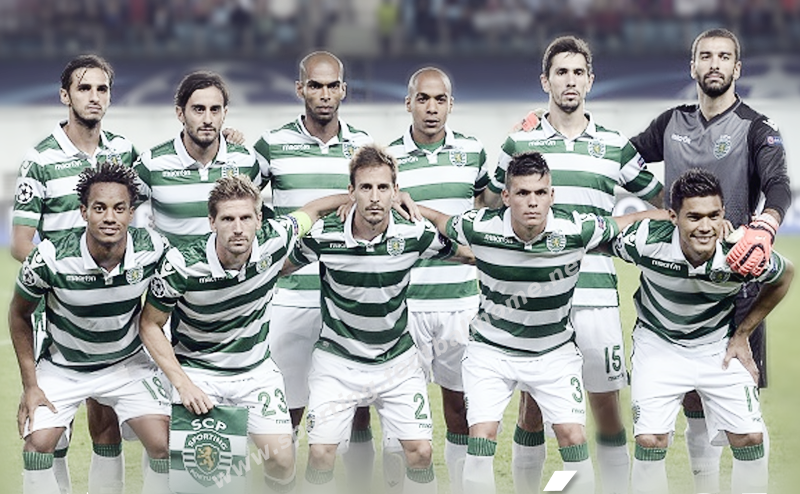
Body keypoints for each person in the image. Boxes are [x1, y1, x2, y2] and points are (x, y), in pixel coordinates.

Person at [420, 152, 666, 494]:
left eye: (540, 193)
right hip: (491, 352)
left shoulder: (577, 228)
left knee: (574, 439)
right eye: (522, 193)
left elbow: (633, 219)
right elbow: (437, 218)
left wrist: (674, 216)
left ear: (552, 195)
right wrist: (401, 201)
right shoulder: (479, 226)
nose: (532, 202)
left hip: (555, 353)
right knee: (482, 437)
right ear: (506, 196)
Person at [486, 36, 664, 494]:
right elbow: (487, 201)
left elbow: (665, 203)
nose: (570, 80)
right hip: (537, 296)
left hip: (596, 294)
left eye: (578, 72)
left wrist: (627, 231)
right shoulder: (520, 140)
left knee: (606, 408)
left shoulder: (614, 146)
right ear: (545, 81)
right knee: (532, 408)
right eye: (560, 72)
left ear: (590, 80)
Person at [629, 28, 792, 493]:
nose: (714, 64)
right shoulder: (671, 123)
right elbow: (622, 160)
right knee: (691, 401)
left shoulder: (756, 128)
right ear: (693, 66)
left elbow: (778, 184)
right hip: (677, 279)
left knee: (738, 408)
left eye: (724, 57)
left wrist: (764, 227)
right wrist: (660, 201)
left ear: (737, 68)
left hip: (734, 283)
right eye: (706, 56)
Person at [138, 175, 352, 493]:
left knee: (282, 460)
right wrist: (183, 384)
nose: (238, 228)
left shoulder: (276, 237)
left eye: (245, 218)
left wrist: (363, 199)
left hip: (255, 371)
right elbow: (149, 324)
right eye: (227, 219)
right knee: (208, 478)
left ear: (259, 219)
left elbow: (315, 209)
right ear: (212, 222)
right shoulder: (182, 265)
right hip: (200, 373)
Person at [290, 144, 472, 494]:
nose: (374, 197)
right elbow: (277, 269)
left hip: (397, 361)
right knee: (321, 454)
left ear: (395, 191)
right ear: (351, 191)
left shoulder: (413, 233)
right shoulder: (325, 235)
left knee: (420, 452)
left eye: (383, 188)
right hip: (338, 362)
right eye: (366, 187)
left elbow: (468, 255)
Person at [611, 168, 793, 494]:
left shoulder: (741, 251)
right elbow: (599, 239)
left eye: (714, 216)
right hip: (658, 345)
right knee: (650, 440)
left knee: (751, 437)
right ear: (673, 217)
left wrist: (742, 334)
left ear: (723, 214)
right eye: (694, 217)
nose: (706, 227)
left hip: (716, 347)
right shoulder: (645, 241)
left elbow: (785, 276)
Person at [11, 54, 135, 494]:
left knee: (105, 419)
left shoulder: (124, 152)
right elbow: (20, 242)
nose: (94, 97)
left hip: (114, 308)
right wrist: (66, 275)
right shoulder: (41, 159)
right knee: (54, 430)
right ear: (65, 95)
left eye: (102, 89)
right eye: (84, 88)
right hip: (59, 309)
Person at [253, 50, 377, 486]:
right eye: (315, 85)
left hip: (348, 299)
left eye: (332, 86)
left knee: (357, 409)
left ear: (344, 89)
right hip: (288, 296)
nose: (324, 94)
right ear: (300, 89)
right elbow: (242, 199)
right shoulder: (271, 145)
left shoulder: (363, 146)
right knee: (285, 408)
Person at [9, 162, 172, 494]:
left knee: (164, 446)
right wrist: (30, 385)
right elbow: (18, 315)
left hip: (127, 365)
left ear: (131, 213)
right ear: (83, 211)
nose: (110, 217)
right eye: (99, 208)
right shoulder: (50, 257)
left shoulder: (153, 249)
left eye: (119, 208)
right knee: (38, 446)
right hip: (63, 367)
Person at [386, 66, 490, 493]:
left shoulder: (473, 153)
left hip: (461, 303)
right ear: (408, 103)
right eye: (423, 99)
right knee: (401, 415)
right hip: (406, 304)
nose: (431, 108)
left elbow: (490, 209)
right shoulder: (389, 159)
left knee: (460, 408)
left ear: (451, 104)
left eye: (440, 99)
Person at [133, 70, 263, 247]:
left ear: (224, 113)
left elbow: (255, 217)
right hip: (172, 266)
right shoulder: (151, 163)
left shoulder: (245, 160)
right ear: (180, 113)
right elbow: (119, 212)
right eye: (199, 109)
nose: (208, 119)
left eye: (215, 110)